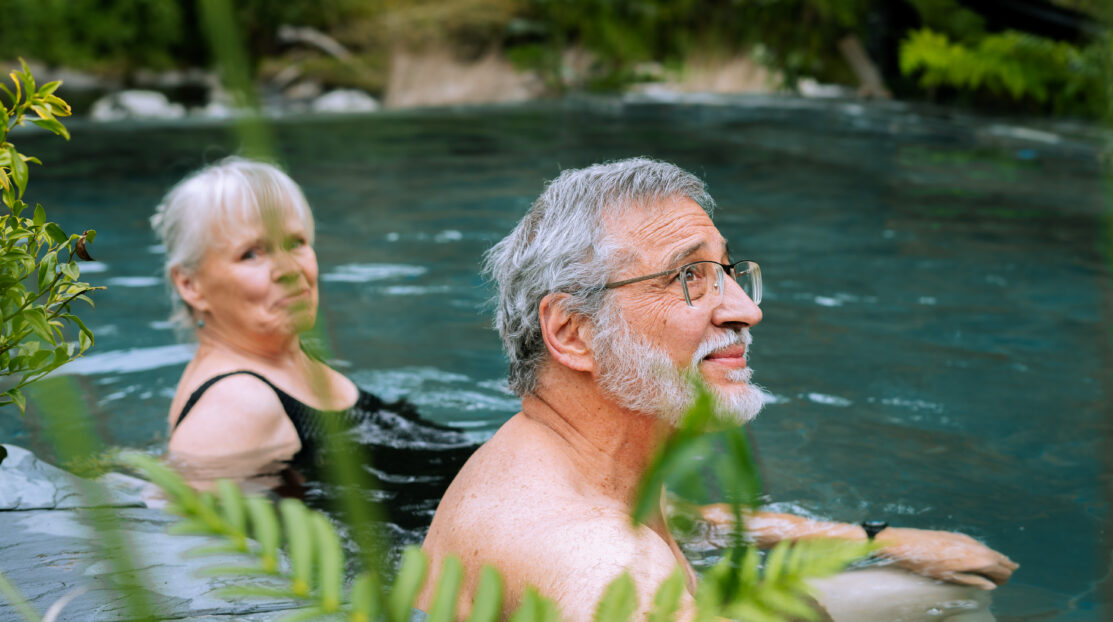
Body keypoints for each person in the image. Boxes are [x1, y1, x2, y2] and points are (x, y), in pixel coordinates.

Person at [419, 158, 1017, 620]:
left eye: (727, 273)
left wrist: (878, 540)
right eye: (688, 277)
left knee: (944, 580)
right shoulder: (603, 566)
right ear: (573, 332)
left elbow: (683, 519)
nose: (744, 311)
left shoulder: (560, 464)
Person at [152, 156, 473, 513]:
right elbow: (182, 531)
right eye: (252, 254)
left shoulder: (279, 359)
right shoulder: (236, 404)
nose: (290, 270)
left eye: (295, 242)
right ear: (190, 285)